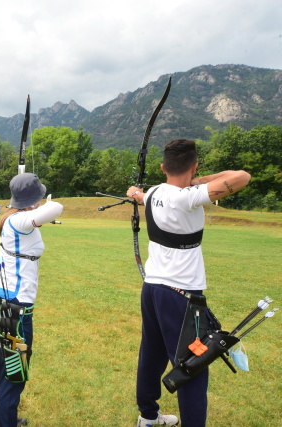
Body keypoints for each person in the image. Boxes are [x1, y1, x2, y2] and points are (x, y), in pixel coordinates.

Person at [127, 139, 251, 427]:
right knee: (193, 364)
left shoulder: (156, 191)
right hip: (181, 294)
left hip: (153, 289)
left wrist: (135, 192)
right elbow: (242, 176)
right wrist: (197, 180)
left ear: (162, 167)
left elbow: (139, 195)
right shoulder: (189, 196)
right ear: (193, 166)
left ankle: (147, 416)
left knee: (153, 353)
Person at [0, 173, 64, 427]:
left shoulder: (12, 218)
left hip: (3, 298)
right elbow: (58, 207)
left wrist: (32, 207)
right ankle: (5, 422)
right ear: (33, 199)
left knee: (3, 360)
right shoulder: (20, 220)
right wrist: (37, 207)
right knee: (15, 367)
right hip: (16, 305)